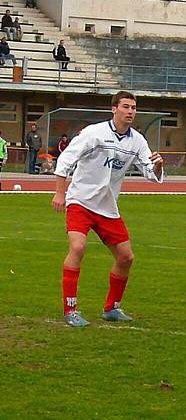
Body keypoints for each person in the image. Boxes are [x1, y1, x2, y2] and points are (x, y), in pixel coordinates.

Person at [52, 91, 165, 327]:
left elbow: (150, 174)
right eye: (125, 107)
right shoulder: (95, 133)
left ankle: (111, 308)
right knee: (78, 247)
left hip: (108, 207)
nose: (130, 111)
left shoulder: (137, 141)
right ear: (114, 109)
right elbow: (65, 160)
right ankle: (70, 310)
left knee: (126, 257)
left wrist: (157, 166)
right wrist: (60, 193)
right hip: (80, 201)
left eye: (133, 108)